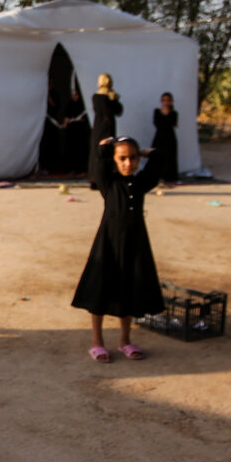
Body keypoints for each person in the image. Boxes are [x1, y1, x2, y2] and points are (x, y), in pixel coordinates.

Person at [72, 137, 164, 362]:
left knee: (129, 289)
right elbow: (99, 161)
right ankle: (97, 342)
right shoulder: (108, 183)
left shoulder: (140, 183)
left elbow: (159, 162)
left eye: (133, 158)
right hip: (109, 244)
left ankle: (125, 340)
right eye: (122, 158)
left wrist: (146, 153)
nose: (128, 163)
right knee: (101, 290)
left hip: (135, 244)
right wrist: (106, 147)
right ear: (114, 160)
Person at [88, 73, 124, 188]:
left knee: (98, 151)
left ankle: (96, 178)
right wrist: (114, 99)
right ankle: (104, 177)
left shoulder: (97, 97)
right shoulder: (107, 97)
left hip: (99, 127)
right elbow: (116, 112)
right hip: (107, 127)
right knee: (107, 150)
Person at [61, 85, 92, 174]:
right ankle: (71, 169)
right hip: (71, 132)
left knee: (80, 150)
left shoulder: (81, 105)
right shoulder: (69, 105)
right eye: (74, 95)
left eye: (77, 95)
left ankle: (82, 169)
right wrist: (67, 120)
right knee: (71, 150)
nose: (75, 97)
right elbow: (66, 116)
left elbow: (84, 118)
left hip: (80, 132)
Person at [152, 91, 180, 184]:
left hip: (170, 138)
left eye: (168, 100)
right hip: (159, 137)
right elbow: (157, 124)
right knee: (158, 156)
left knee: (170, 157)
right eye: (164, 100)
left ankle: (170, 177)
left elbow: (172, 123)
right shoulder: (157, 111)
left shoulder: (174, 113)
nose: (166, 102)